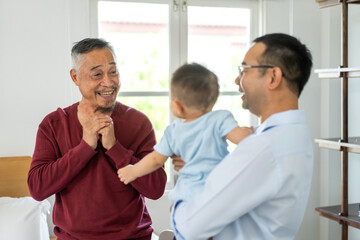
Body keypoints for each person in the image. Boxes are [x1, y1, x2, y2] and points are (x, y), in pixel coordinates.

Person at [170, 33, 314, 240]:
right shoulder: (292, 135)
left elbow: (189, 227)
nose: (238, 80)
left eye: (245, 70)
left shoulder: (263, 147)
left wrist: (177, 207)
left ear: (273, 77)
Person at [27, 38, 167, 240]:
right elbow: (37, 189)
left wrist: (115, 148)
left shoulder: (139, 123)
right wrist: (85, 148)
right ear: (75, 77)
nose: (108, 82)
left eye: (113, 72)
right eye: (97, 74)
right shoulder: (53, 125)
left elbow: (156, 189)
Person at [117, 63, 253, 204]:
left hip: (188, 195)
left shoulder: (173, 132)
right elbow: (241, 138)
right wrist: (248, 131)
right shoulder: (221, 118)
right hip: (218, 189)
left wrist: (133, 172)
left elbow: (154, 160)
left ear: (177, 106)